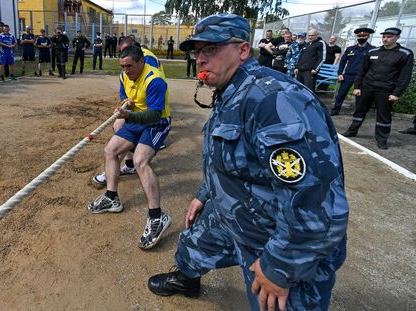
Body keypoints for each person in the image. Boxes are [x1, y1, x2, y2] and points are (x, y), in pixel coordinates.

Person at [147, 14, 349, 311]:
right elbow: (233, 155)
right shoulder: (233, 90)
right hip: (235, 211)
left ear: (243, 50)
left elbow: (317, 205)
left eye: (211, 49)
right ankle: (187, 278)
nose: (200, 59)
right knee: (193, 243)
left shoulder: (273, 101)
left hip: (274, 238)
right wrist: (205, 194)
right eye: (197, 51)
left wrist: (280, 268)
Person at [87, 45, 172, 250]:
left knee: (140, 160)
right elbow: (125, 96)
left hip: (156, 123)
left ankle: (157, 217)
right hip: (135, 120)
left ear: (141, 62)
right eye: (123, 66)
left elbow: (154, 114)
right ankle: (112, 198)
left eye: (130, 66)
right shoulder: (124, 76)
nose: (126, 71)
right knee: (110, 151)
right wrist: (126, 105)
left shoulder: (155, 80)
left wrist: (128, 116)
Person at [91, 35, 167, 186]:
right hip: (136, 107)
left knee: (126, 130)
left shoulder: (147, 60)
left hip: (150, 108)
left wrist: (130, 113)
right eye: (121, 53)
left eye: (126, 52)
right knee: (118, 126)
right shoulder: (126, 69)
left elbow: (149, 85)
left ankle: (127, 163)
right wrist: (126, 100)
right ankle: (127, 166)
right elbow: (125, 89)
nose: (123, 57)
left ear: (136, 50)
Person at [342, 27, 414, 150]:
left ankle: (382, 139)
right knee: (359, 110)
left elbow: (405, 76)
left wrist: (397, 93)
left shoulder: (405, 54)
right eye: (384, 36)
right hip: (367, 87)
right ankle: (352, 131)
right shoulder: (372, 52)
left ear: (397, 38)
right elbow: (362, 70)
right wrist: (357, 86)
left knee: (383, 115)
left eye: (389, 37)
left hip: (386, 89)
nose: (386, 39)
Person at [330, 28, 375, 116]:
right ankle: (335, 110)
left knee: (359, 96)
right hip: (348, 75)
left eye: (363, 36)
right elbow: (342, 62)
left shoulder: (372, 50)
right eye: (359, 36)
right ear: (356, 37)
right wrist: (339, 73)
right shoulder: (350, 49)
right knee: (341, 94)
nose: (361, 37)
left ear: (368, 36)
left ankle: (358, 113)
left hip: (363, 77)